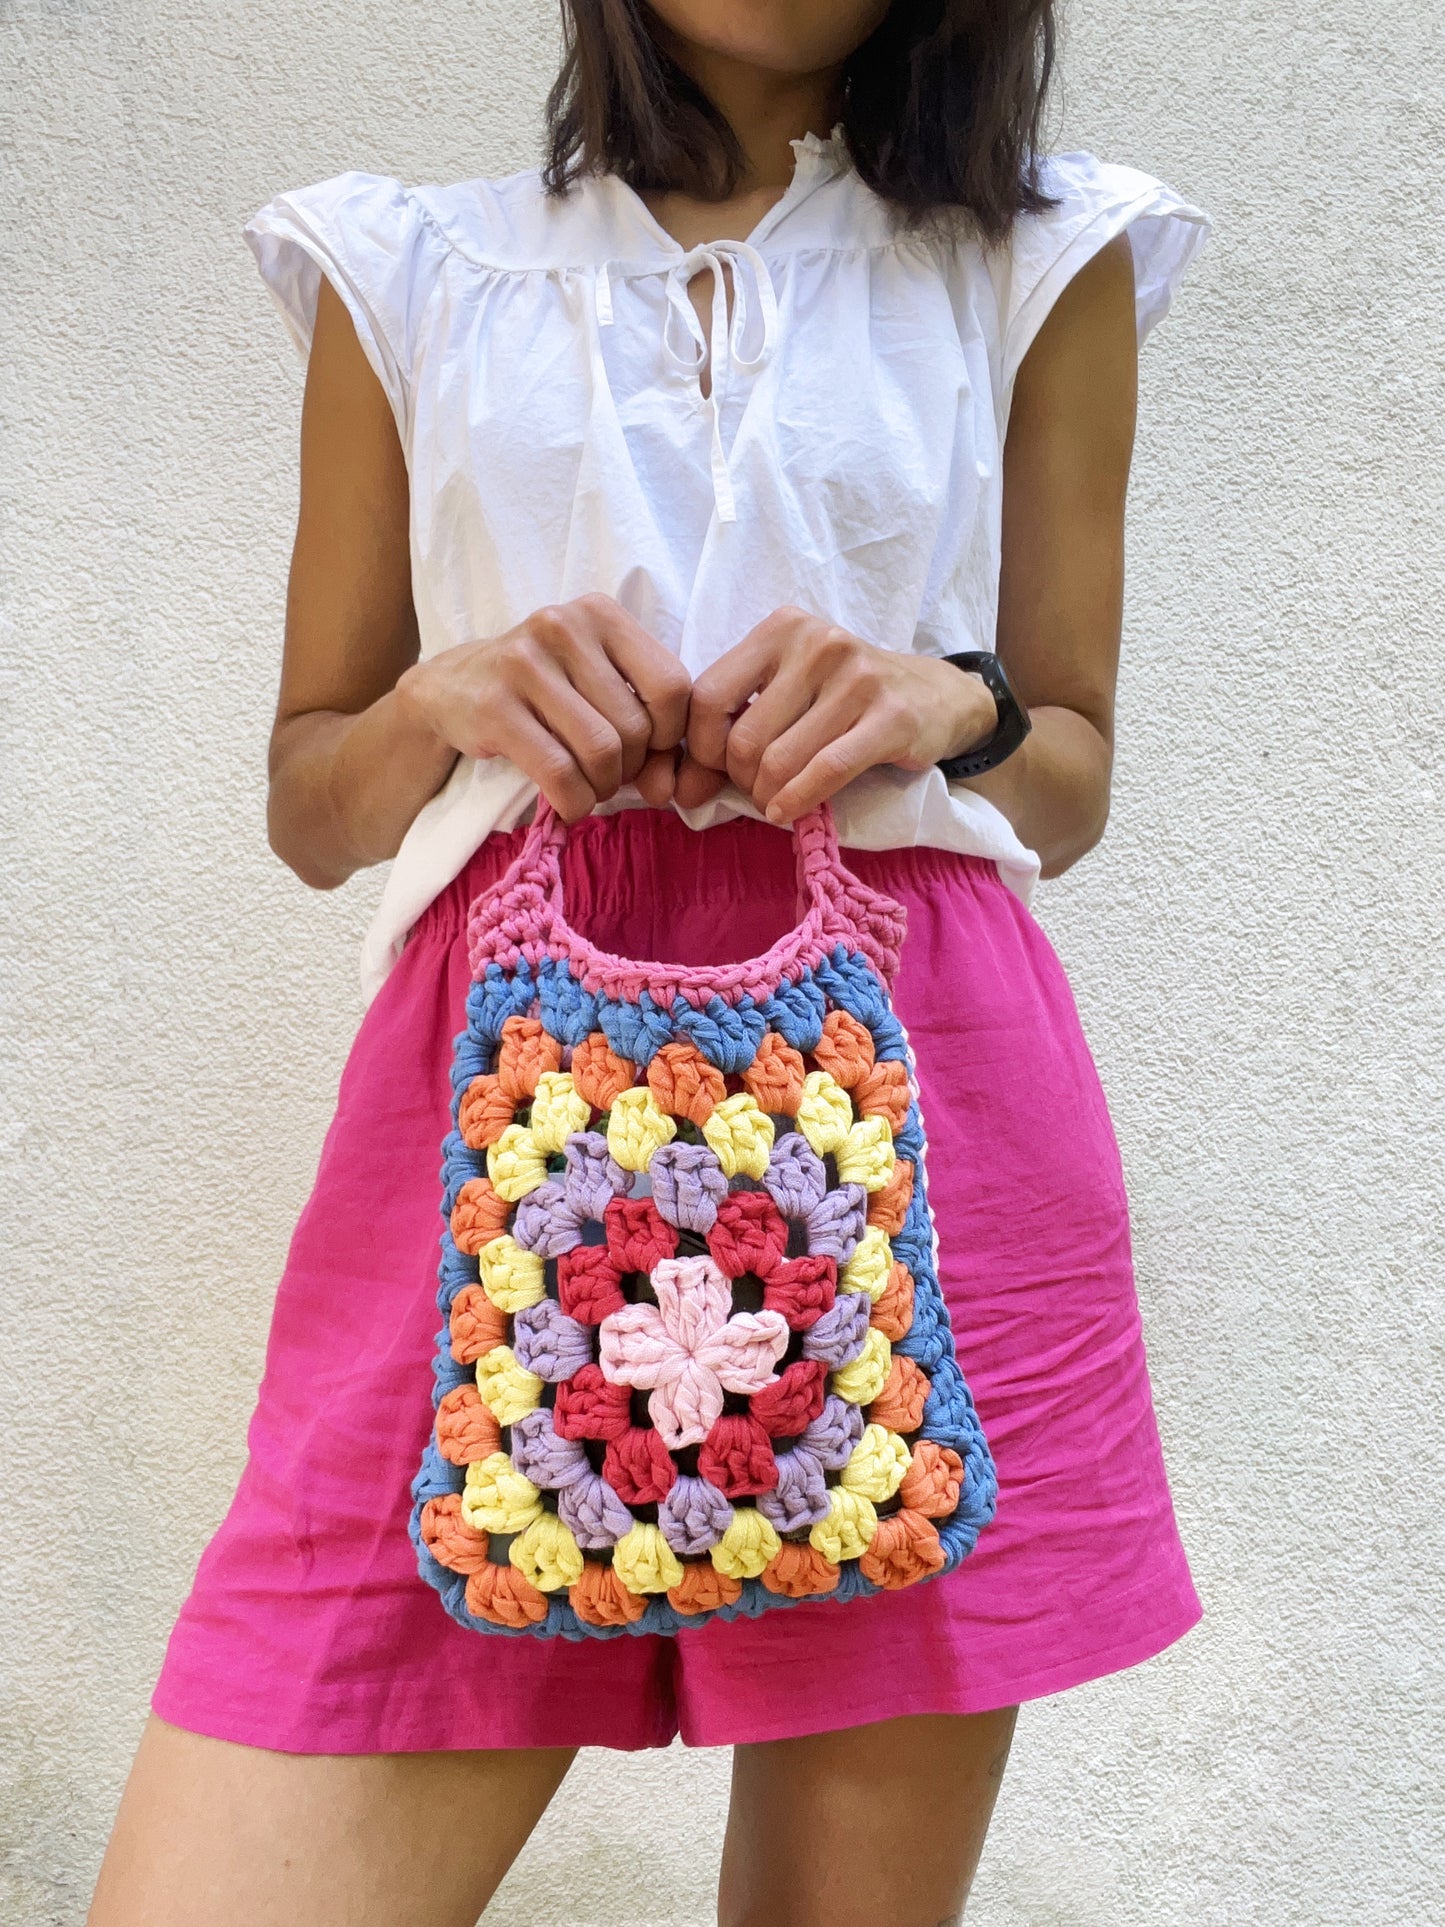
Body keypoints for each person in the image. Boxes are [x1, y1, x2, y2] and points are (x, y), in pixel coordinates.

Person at [90, 3, 1212, 1921]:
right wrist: (445, 698)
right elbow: (310, 799)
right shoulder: (411, 267)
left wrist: (944, 703)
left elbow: (1073, 770)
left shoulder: (1042, 255)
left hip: (918, 1134)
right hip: (482, 1144)